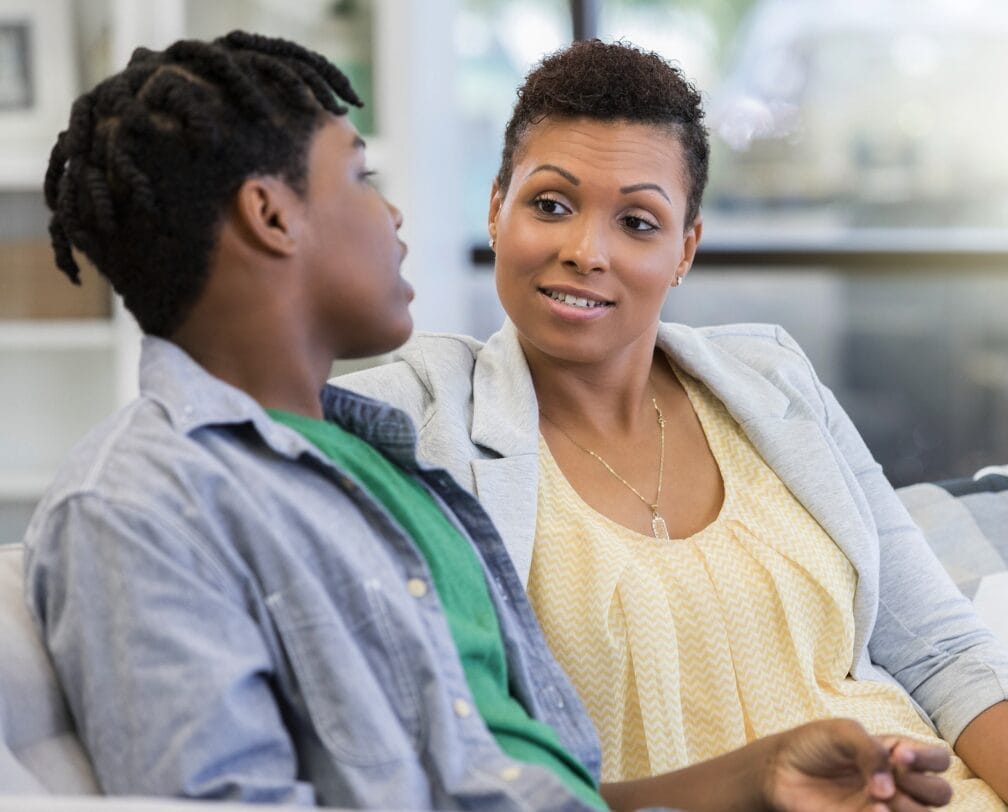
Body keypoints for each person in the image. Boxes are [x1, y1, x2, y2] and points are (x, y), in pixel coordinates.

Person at [23, 30, 954, 811]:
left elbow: (517, 786)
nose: (394, 214)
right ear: (271, 215)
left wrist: (754, 779)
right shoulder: (139, 505)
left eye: (637, 221)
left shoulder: (380, 463)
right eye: (361, 178)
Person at [337, 39, 1008, 811]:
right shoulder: (422, 417)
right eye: (551, 205)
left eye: (638, 222)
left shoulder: (770, 381)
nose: (586, 251)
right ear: (496, 207)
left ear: (685, 249)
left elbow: (944, 649)